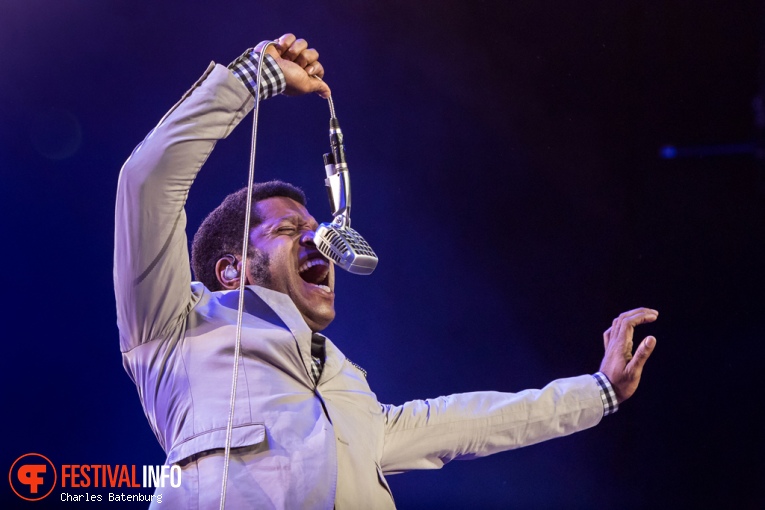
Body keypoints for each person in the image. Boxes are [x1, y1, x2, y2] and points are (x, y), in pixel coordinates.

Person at [114, 33, 658, 509]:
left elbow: (477, 421)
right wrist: (250, 80)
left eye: (318, 227)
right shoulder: (172, 333)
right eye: (287, 231)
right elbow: (147, 182)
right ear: (232, 270)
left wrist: (600, 390)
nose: (319, 239)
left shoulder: (351, 391)